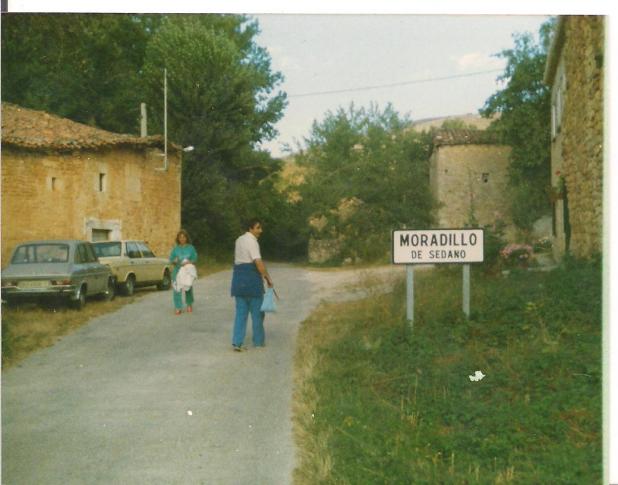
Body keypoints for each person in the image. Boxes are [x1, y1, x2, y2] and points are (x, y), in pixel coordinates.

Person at [230, 218, 273, 351]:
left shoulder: (239, 240)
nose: (261, 230)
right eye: (258, 227)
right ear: (250, 228)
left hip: (238, 281)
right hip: (252, 281)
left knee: (240, 314)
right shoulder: (252, 241)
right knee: (257, 314)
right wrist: (268, 278)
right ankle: (258, 342)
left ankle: (237, 342)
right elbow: (258, 263)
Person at [169, 229, 198, 315]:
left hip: (187, 271)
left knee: (188, 287)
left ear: (186, 238)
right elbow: (171, 259)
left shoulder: (191, 248)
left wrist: (189, 262)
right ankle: (178, 307)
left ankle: (189, 304)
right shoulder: (175, 249)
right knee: (177, 289)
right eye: (180, 237)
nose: (182, 239)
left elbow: (195, 258)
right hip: (177, 271)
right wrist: (174, 260)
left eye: (184, 237)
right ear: (178, 238)